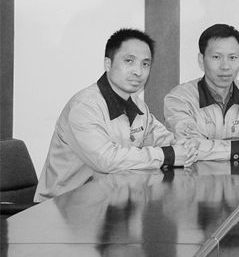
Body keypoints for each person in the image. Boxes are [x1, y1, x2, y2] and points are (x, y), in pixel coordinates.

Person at [35, 29, 197, 202]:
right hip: (63, 206)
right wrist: (168, 155)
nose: (138, 71)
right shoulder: (84, 107)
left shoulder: (137, 104)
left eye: (145, 64)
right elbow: (106, 160)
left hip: (111, 202)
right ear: (108, 63)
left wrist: (185, 147)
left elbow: (163, 139)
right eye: (129, 61)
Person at [164, 24, 239, 161]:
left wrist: (211, 148)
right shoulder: (180, 99)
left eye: (232, 58)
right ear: (201, 60)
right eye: (216, 57)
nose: (225, 66)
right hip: (197, 174)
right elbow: (187, 147)